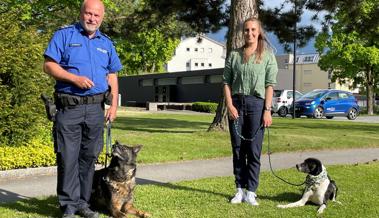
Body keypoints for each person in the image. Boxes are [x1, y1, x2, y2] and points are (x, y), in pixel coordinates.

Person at [43, 0, 122, 217]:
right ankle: (68, 206)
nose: (92, 19)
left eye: (97, 15)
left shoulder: (106, 43)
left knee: (88, 158)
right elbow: (48, 65)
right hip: (70, 108)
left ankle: (82, 204)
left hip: (96, 110)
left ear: (102, 18)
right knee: (68, 158)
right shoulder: (64, 35)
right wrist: (73, 79)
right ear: (81, 13)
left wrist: (113, 105)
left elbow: (112, 74)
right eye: (89, 14)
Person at [223, 17, 278, 206]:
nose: (250, 33)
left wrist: (267, 110)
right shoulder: (234, 55)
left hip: (257, 105)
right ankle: (239, 189)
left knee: (254, 151)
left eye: (253, 29)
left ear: (259, 31)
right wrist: (230, 105)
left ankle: (251, 191)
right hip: (236, 104)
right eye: (246, 30)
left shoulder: (268, 55)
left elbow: (270, 85)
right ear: (242, 32)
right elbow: (226, 82)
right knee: (238, 150)